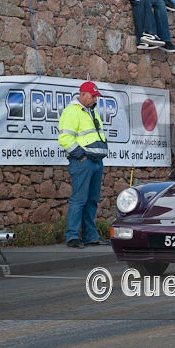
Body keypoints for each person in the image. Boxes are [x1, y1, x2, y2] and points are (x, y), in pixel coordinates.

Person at [57, 81, 109, 249]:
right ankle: (72, 236)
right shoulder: (71, 112)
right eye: (93, 96)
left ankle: (90, 236)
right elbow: (65, 138)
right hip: (83, 163)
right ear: (83, 94)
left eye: (96, 96)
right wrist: (80, 156)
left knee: (92, 200)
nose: (95, 99)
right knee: (79, 200)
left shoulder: (91, 112)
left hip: (96, 162)